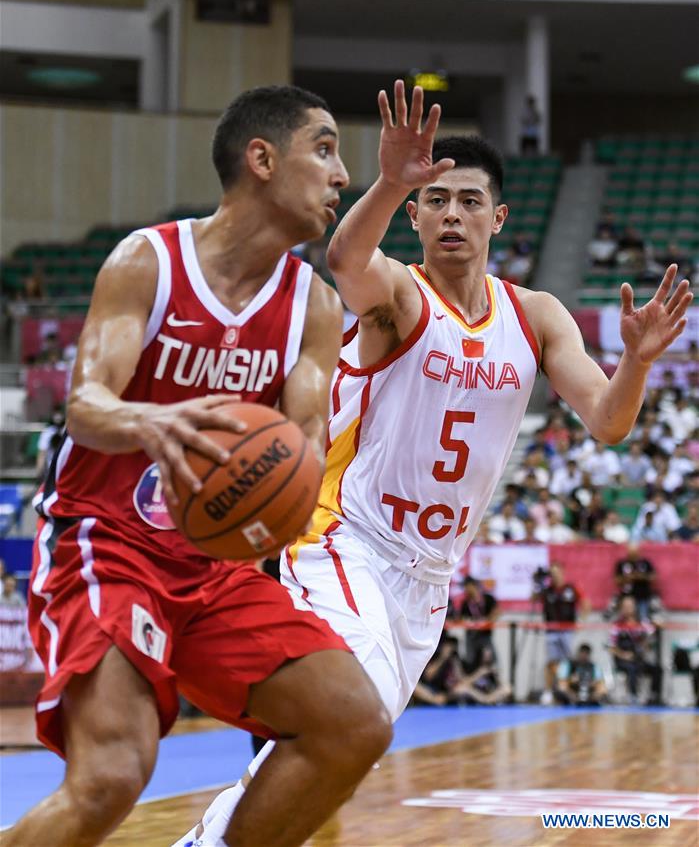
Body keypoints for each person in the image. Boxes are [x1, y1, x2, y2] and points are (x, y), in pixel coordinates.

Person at [184, 80, 693, 844]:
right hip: (343, 539)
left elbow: (609, 421)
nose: (451, 213)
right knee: (346, 719)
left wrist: (637, 364)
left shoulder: (536, 315)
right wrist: (391, 180)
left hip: (428, 577)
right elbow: (347, 256)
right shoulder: (399, 294)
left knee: (337, 748)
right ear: (416, 216)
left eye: (468, 199)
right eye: (436, 200)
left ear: (498, 217)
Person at [7, 86, 393, 847]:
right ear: (261, 158)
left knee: (352, 722)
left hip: (215, 565)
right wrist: (158, 423)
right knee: (111, 776)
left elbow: (305, 443)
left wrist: (283, 489)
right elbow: (85, 404)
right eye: (323, 148)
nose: (341, 174)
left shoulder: (312, 306)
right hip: (106, 542)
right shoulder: (147, 261)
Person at [534, 561, 589, 705]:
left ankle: (569, 691)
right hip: (551, 630)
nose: (555, 576)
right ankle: (548, 691)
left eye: (557, 572)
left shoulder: (571, 588)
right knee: (551, 662)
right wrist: (537, 583)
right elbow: (533, 599)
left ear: (562, 573)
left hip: (567, 630)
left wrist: (581, 620)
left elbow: (585, 603)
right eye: (552, 573)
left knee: (568, 661)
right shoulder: (547, 590)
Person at [609, 596, 663, 705]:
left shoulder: (642, 623)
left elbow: (652, 633)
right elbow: (611, 647)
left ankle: (653, 696)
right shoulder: (617, 625)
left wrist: (647, 643)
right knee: (632, 668)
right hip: (623, 660)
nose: (628, 609)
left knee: (657, 669)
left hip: (638, 659)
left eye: (630, 606)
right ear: (621, 608)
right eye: (625, 606)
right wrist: (623, 655)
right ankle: (633, 697)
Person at [458, 575, 498, 668]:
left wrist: (486, 621)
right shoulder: (466, 603)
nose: (465, 589)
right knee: (470, 661)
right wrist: (469, 622)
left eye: (466, 586)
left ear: (472, 585)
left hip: (485, 636)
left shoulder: (487, 598)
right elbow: (461, 618)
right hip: (471, 636)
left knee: (491, 660)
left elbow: (497, 611)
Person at [613, 543, 657, 621]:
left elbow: (654, 577)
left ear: (639, 552)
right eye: (631, 553)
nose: (633, 555)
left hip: (643, 595)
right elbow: (616, 580)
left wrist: (641, 577)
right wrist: (628, 578)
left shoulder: (645, 563)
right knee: (626, 617)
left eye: (635, 552)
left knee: (644, 618)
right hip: (627, 596)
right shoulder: (622, 563)